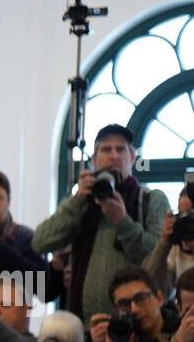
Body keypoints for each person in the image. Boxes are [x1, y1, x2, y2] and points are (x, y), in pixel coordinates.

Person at [32, 124, 169, 319]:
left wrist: (122, 221)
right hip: (83, 325)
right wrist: (77, 199)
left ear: (132, 158)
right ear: (94, 161)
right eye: (106, 149)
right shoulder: (82, 202)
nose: (113, 155)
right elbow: (40, 242)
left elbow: (158, 259)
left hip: (134, 322)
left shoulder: (151, 199)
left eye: (120, 149)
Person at [142, 182, 194, 298]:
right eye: (182, 215)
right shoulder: (177, 249)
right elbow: (152, 287)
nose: (188, 222)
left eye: (191, 215)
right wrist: (164, 243)